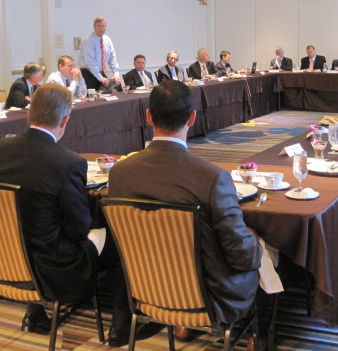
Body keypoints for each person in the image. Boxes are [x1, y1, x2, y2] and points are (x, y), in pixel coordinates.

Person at [0, 84, 153, 345]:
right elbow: (78, 229)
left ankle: (34, 311)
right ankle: (120, 324)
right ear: (65, 120)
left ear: (30, 115)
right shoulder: (68, 162)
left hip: (4, 258)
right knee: (121, 238)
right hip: (56, 269)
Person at [108, 80, 268, 347]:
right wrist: (258, 244)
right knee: (258, 249)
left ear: (148, 117)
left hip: (145, 291)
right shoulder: (212, 177)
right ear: (192, 118)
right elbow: (242, 257)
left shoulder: (120, 173)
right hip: (209, 297)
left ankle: (182, 324)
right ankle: (260, 337)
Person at [79, 16, 122, 92]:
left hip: (101, 73)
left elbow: (113, 59)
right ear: (94, 27)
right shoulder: (88, 41)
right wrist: (100, 78)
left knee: (109, 94)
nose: (101, 28)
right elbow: (90, 62)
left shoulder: (107, 40)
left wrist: (116, 75)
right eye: (99, 26)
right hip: (88, 74)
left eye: (103, 26)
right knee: (93, 99)